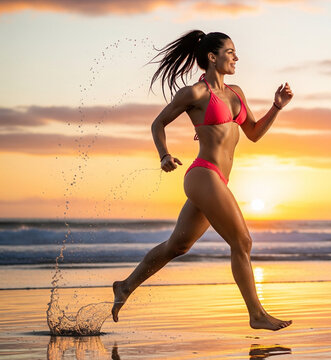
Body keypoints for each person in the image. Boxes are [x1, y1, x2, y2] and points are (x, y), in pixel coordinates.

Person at [111, 30, 293, 331]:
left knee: (177, 245)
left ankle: (125, 286)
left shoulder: (236, 94)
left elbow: (254, 134)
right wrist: (164, 155)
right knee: (243, 241)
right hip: (202, 173)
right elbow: (158, 123)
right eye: (230, 52)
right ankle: (257, 314)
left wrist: (276, 107)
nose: (236, 57)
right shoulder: (196, 93)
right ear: (213, 57)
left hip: (217, 179)